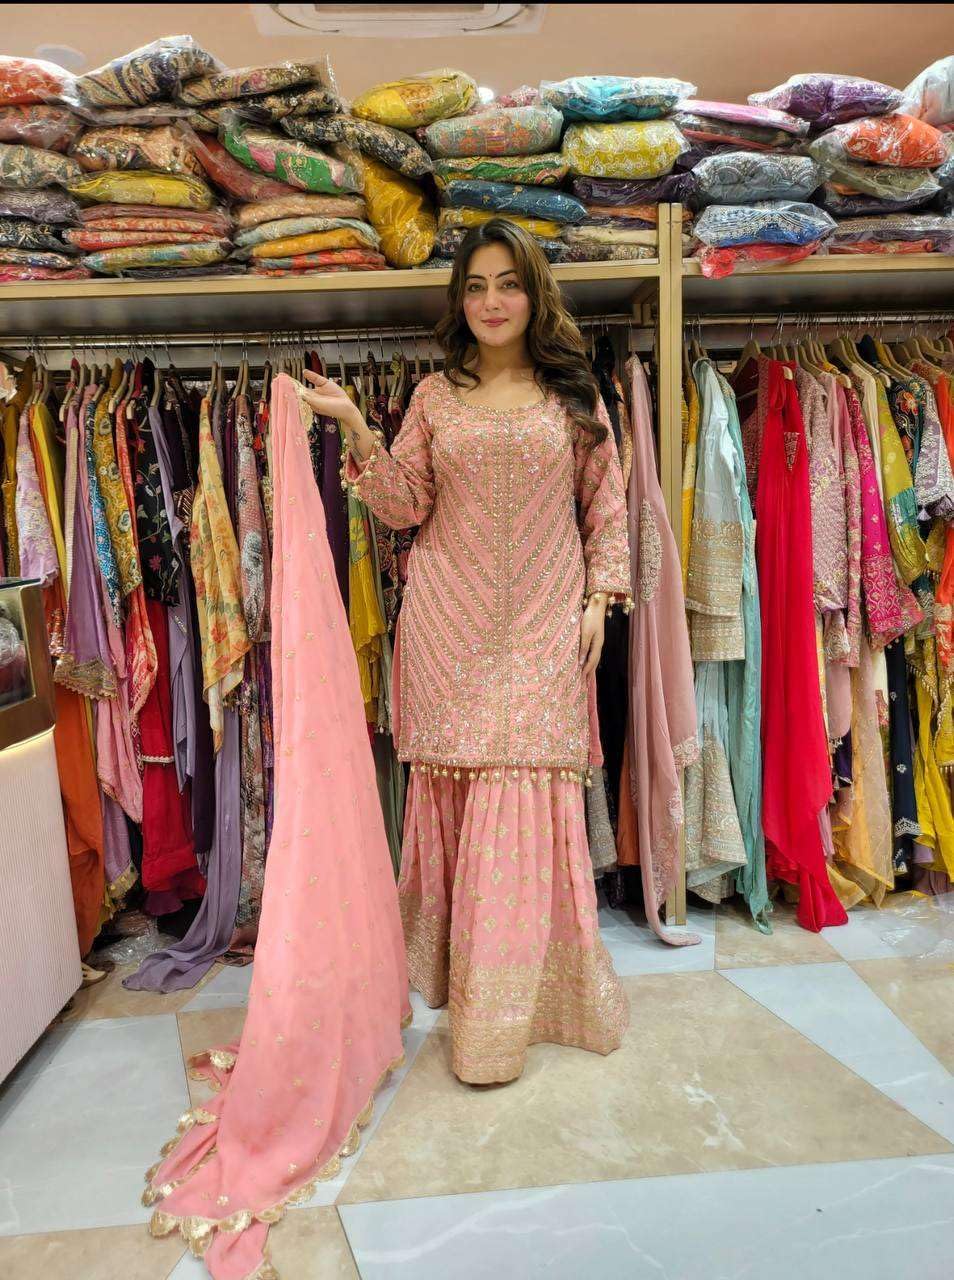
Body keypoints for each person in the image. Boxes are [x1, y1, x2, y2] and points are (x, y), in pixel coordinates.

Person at [301, 218, 631, 1085]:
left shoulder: (573, 394)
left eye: (508, 283)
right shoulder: (433, 398)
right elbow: (404, 507)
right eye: (476, 286)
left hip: (548, 623)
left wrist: (601, 597)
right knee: (470, 816)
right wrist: (356, 427)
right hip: (448, 629)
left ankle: (507, 1024)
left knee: (524, 805)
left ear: (535, 294)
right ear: (460, 300)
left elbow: (606, 505)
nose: (492, 301)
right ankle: (473, 1010)